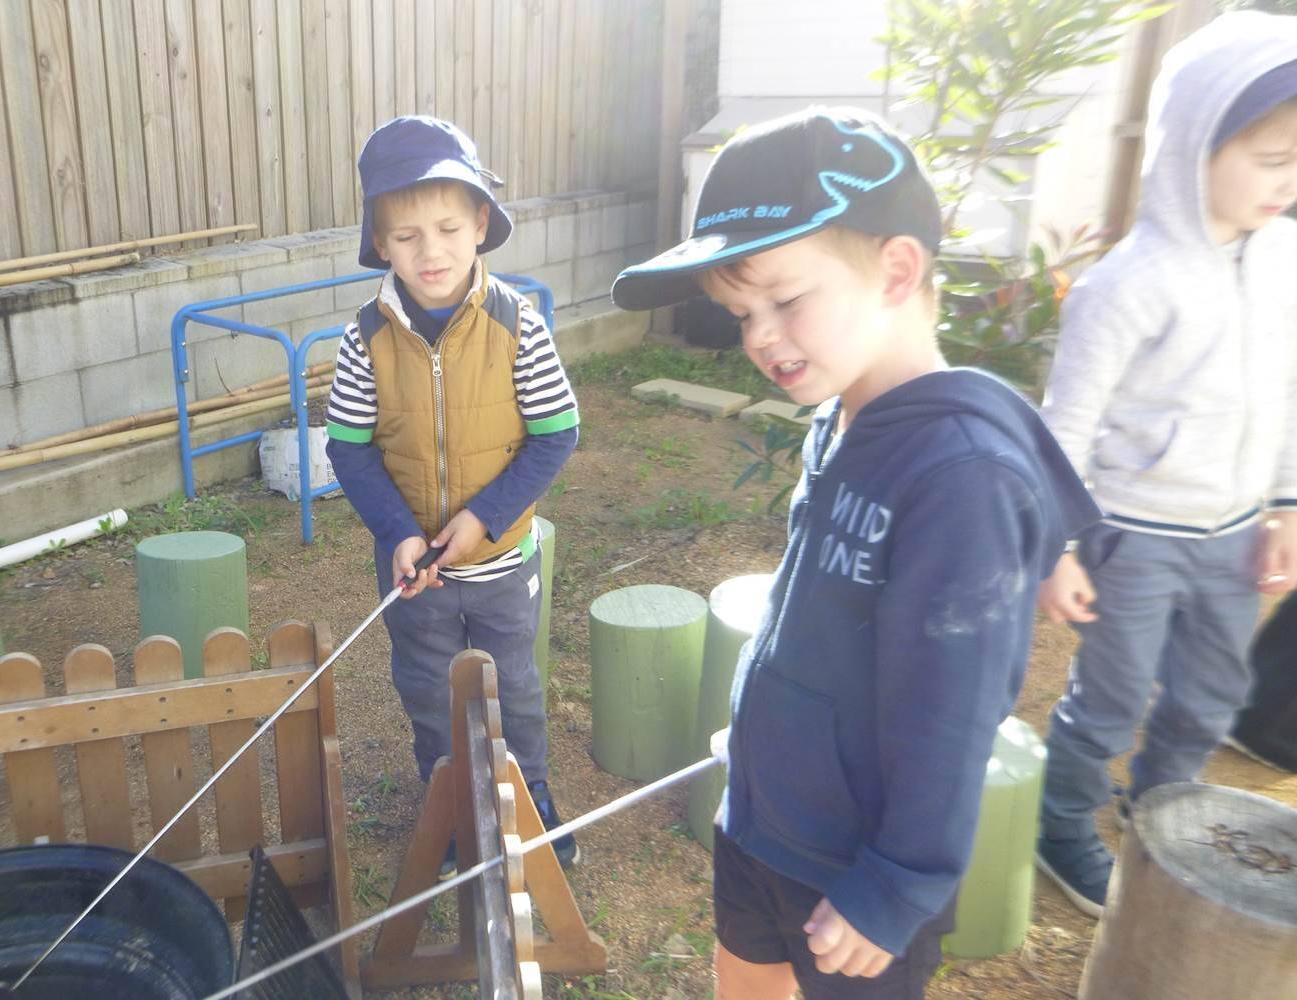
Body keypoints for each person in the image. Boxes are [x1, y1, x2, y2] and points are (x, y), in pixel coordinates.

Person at [611, 107, 1098, 999]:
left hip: (855, 872)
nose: (758, 337)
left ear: (897, 269)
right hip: (762, 814)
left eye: (785, 300)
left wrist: (898, 883)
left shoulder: (960, 477)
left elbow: (953, 711)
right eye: (738, 312)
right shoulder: (846, 413)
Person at [1034, 11, 1297, 917]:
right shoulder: (1124, 286)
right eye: (1270, 159)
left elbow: (1291, 391)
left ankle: (1164, 820)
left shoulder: (1289, 260)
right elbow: (1064, 428)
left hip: (1234, 537)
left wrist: (1289, 505)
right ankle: (1061, 824)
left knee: (1210, 697)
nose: (1287, 181)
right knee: (1107, 702)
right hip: (1134, 535)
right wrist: (1055, 547)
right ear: (1194, 146)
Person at [324, 116, 580, 873]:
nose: (428, 251)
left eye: (445, 227)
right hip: (415, 569)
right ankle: (450, 804)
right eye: (405, 235)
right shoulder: (363, 339)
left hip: (501, 562)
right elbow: (348, 447)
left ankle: (528, 795)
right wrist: (401, 532)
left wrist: (483, 518)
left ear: (479, 225)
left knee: (515, 689)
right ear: (379, 242)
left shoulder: (519, 327)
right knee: (430, 691)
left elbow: (556, 434)